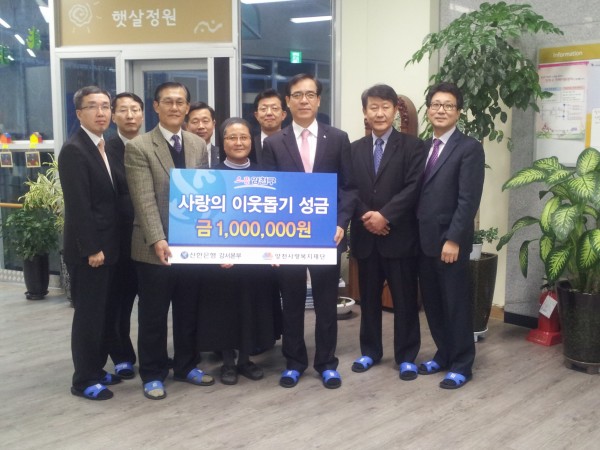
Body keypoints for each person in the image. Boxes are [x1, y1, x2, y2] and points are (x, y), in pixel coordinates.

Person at [261, 73, 355, 389]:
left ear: (318, 100)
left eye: (310, 94)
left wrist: (341, 222)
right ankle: (294, 362)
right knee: (292, 300)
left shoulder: (338, 138)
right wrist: (273, 238)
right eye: (298, 95)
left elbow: (349, 187)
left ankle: (326, 363)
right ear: (288, 102)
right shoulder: (274, 143)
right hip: (289, 237)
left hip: (328, 235)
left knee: (327, 302)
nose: (304, 100)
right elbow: (269, 192)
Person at [124, 81, 213, 400]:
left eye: (180, 102)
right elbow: (143, 198)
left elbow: (204, 194)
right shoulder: (139, 146)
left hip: (190, 246)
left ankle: (187, 365)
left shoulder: (197, 144)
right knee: (153, 315)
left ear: (187, 107)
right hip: (154, 248)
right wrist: (158, 238)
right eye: (168, 101)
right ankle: (152, 373)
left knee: (188, 310)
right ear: (156, 106)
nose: (175, 107)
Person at [348, 84, 425, 380]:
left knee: (405, 301)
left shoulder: (413, 147)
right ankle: (370, 351)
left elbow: (413, 188)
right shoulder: (353, 149)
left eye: (385, 107)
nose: (379, 113)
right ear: (364, 112)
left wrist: (385, 216)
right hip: (366, 237)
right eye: (373, 107)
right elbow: (349, 188)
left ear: (394, 110)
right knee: (368, 300)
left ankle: (406, 357)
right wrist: (368, 217)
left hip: (400, 237)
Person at [198, 117, 279, 385]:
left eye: (243, 137)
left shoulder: (265, 175)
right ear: (223, 143)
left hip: (256, 260)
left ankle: (245, 360)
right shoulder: (210, 177)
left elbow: (275, 217)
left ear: (251, 142)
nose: (238, 142)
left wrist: (277, 251)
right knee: (224, 310)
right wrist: (217, 253)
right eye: (232, 137)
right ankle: (228, 363)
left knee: (252, 307)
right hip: (222, 261)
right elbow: (204, 219)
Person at [417, 81, 485, 389]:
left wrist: (454, 238)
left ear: (458, 112)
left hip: (450, 242)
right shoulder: (423, 148)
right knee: (433, 303)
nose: (441, 110)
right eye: (436, 105)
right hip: (423, 240)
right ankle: (443, 353)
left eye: (448, 105)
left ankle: (462, 364)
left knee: (455, 304)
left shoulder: (469, 148)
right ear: (428, 110)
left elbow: (468, 199)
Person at [59, 86, 121, 400]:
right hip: (90, 252)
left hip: (108, 247)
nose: (101, 112)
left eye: (106, 106)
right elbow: (79, 206)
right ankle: (83, 380)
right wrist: (92, 248)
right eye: (93, 106)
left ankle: (96, 368)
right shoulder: (74, 150)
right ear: (79, 113)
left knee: (103, 313)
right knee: (88, 316)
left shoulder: (102, 145)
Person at [104, 92, 144, 380]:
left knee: (151, 305)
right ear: (113, 116)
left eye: (135, 110)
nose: (130, 115)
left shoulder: (150, 145)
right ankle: (122, 356)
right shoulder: (106, 150)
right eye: (123, 110)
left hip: (153, 240)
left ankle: (152, 353)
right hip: (121, 240)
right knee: (120, 303)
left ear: (143, 114)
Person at [251, 88, 287, 164]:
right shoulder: (250, 144)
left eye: (274, 108)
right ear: (256, 115)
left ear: (283, 115)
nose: (269, 113)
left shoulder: (293, 143)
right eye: (263, 109)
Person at [185, 102, 220, 168]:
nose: (201, 126)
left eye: (205, 121)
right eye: (195, 122)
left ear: (213, 124)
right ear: (186, 126)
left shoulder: (224, 156)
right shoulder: (181, 154)